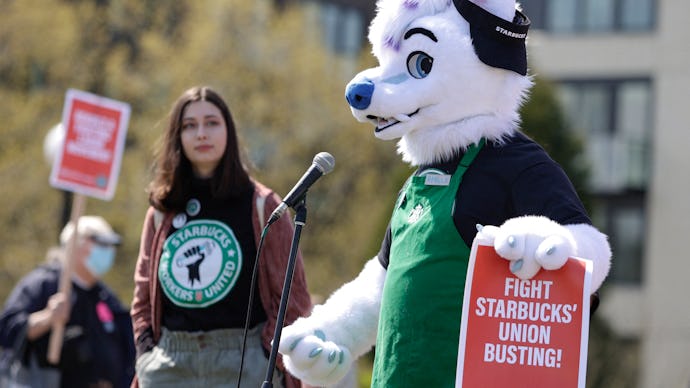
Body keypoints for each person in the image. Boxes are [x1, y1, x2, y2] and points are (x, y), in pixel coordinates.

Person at [130, 86, 312, 388]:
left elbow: (293, 298)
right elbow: (142, 296)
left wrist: (269, 357)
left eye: (212, 123)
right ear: (177, 136)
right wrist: (147, 353)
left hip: (244, 363)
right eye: (190, 126)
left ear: (229, 131)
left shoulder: (261, 205)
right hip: (170, 366)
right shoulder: (162, 211)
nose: (201, 133)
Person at [0, 215, 136, 388]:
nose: (108, 251)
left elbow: (128, 347)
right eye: (101, 244)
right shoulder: (43, 284)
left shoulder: (105, 297)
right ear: (74, 245)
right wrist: (48, 318)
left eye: (110, 246)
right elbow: (7, 329)